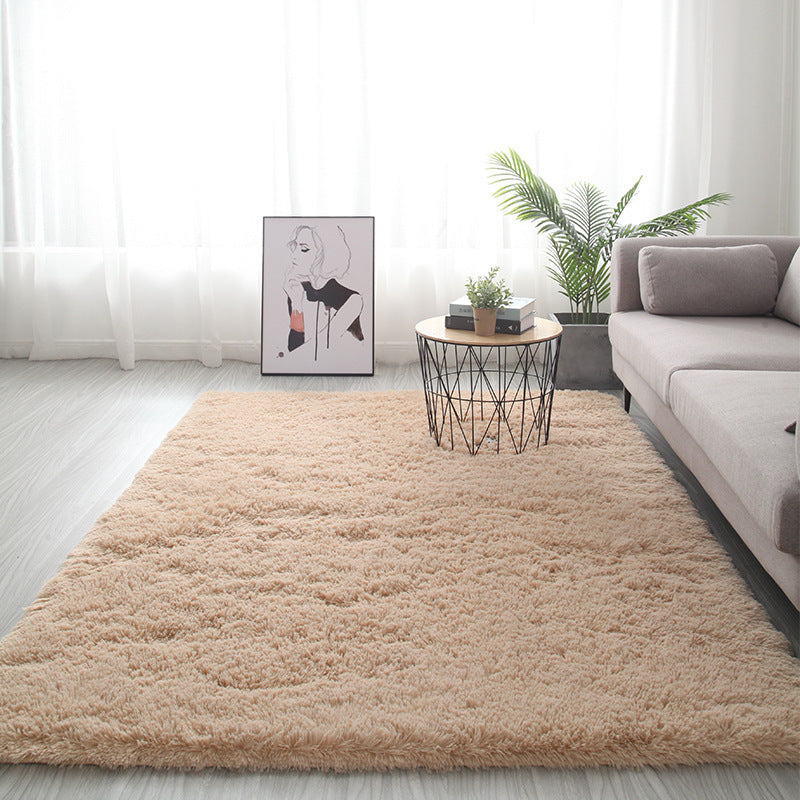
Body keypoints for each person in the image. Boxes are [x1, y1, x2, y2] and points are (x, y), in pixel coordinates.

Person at [283, 224, 364, 359]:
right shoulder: (297, 291)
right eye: (295, 247)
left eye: (303, 249)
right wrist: (297, 304)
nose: (293, 256)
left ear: (325, 255)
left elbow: (319, 352)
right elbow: (294, 352)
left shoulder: (353, 300)